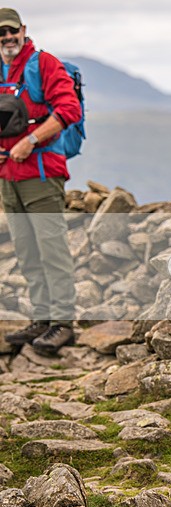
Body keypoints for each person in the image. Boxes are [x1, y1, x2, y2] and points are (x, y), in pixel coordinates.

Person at [0, 8, 80, 355]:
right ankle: (42, 318)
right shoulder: (1, 69)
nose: (7, 39)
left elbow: (69, 109)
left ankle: (63, 325)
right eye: (1, 35)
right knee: (28, 252)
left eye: (12, 32)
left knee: (52, 251)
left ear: (24, 31)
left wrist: (29, 142)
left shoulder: (43, 64)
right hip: (8, 178)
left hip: (42, 175)